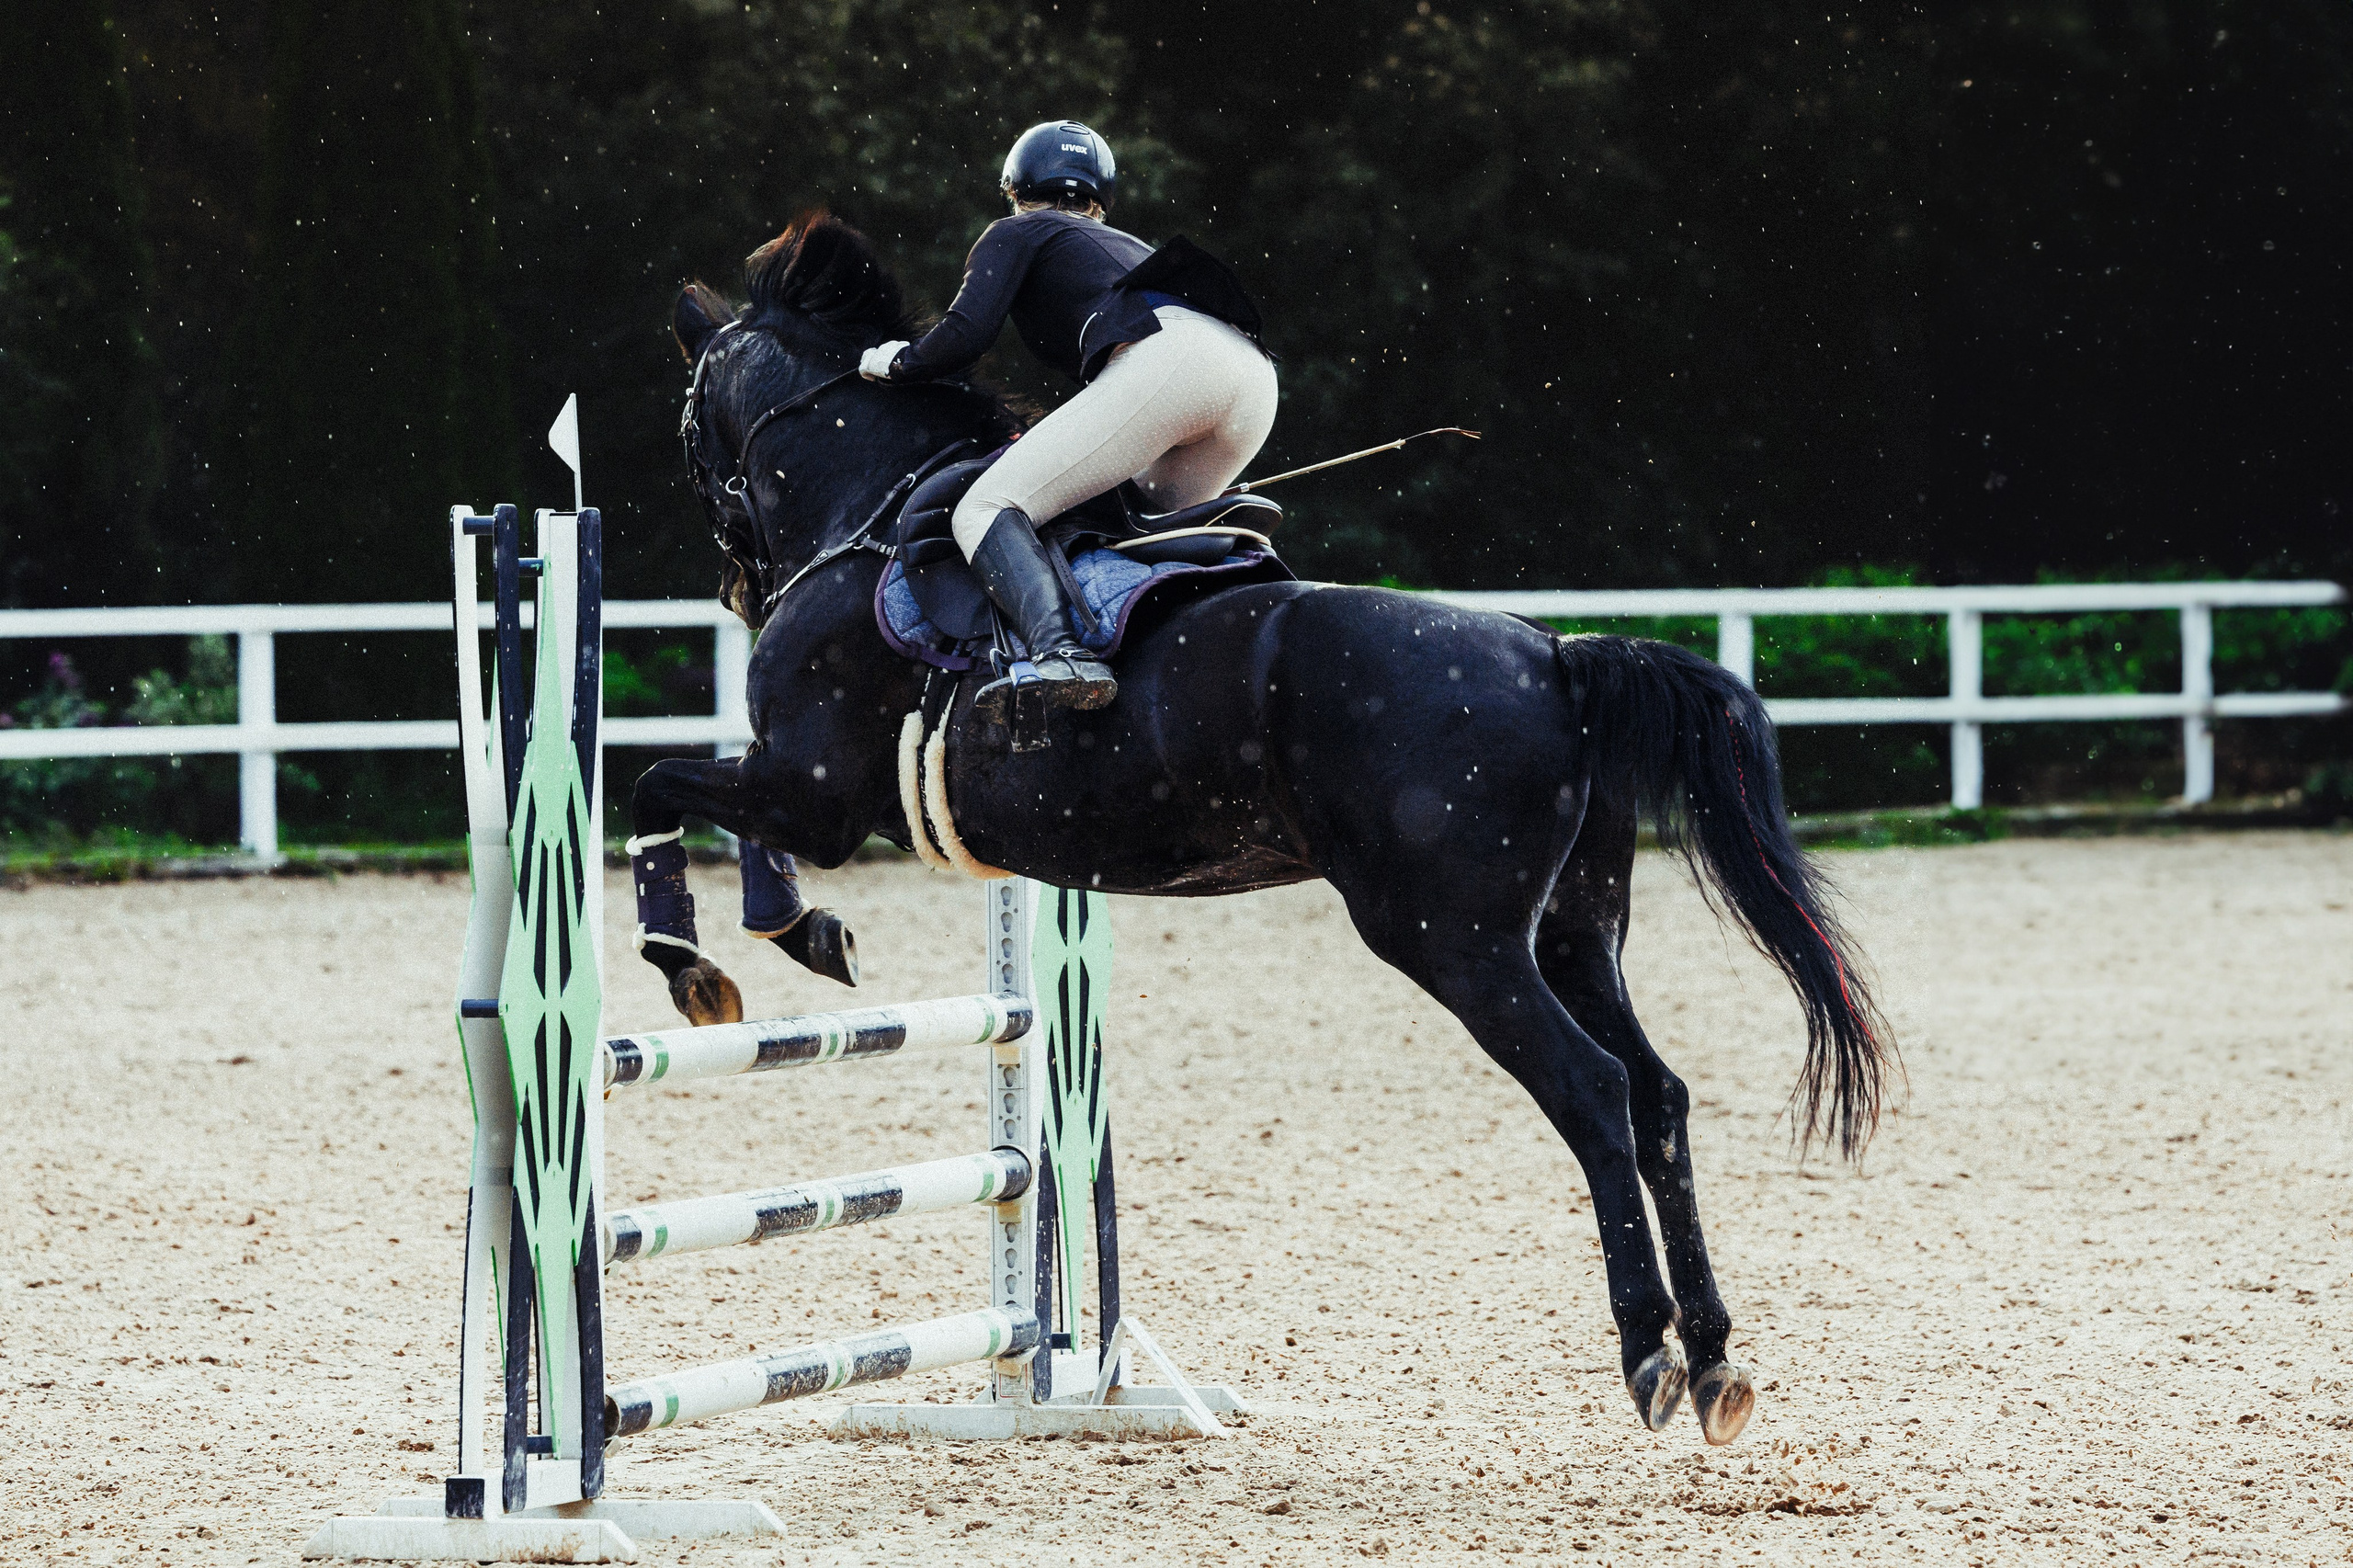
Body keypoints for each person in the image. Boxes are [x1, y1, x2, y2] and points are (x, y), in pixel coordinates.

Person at [859, 119, 1277, 715]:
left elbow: (964, 336)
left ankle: (1059, 653)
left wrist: (892, 362)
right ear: (1098, 201)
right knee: (1133, 523)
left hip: (1173, 360)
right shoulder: (1125, 245)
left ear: (1016, 189)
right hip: (1252, 376)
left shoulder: (1018, 230)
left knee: (985, 508)